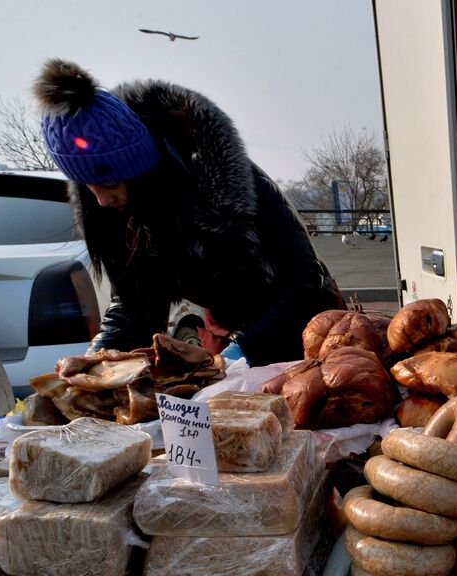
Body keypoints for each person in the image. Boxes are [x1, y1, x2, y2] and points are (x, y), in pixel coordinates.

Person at [34, 59, 343, 365]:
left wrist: (242, 352)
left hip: (313, 332)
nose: (102, 200)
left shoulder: (224, 181)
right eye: (90, 187)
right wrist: (98, 357)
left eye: (111, 183)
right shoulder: (125, 214)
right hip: (236, 338)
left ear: (143, 174)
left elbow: (304, 277)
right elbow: (132, 301)